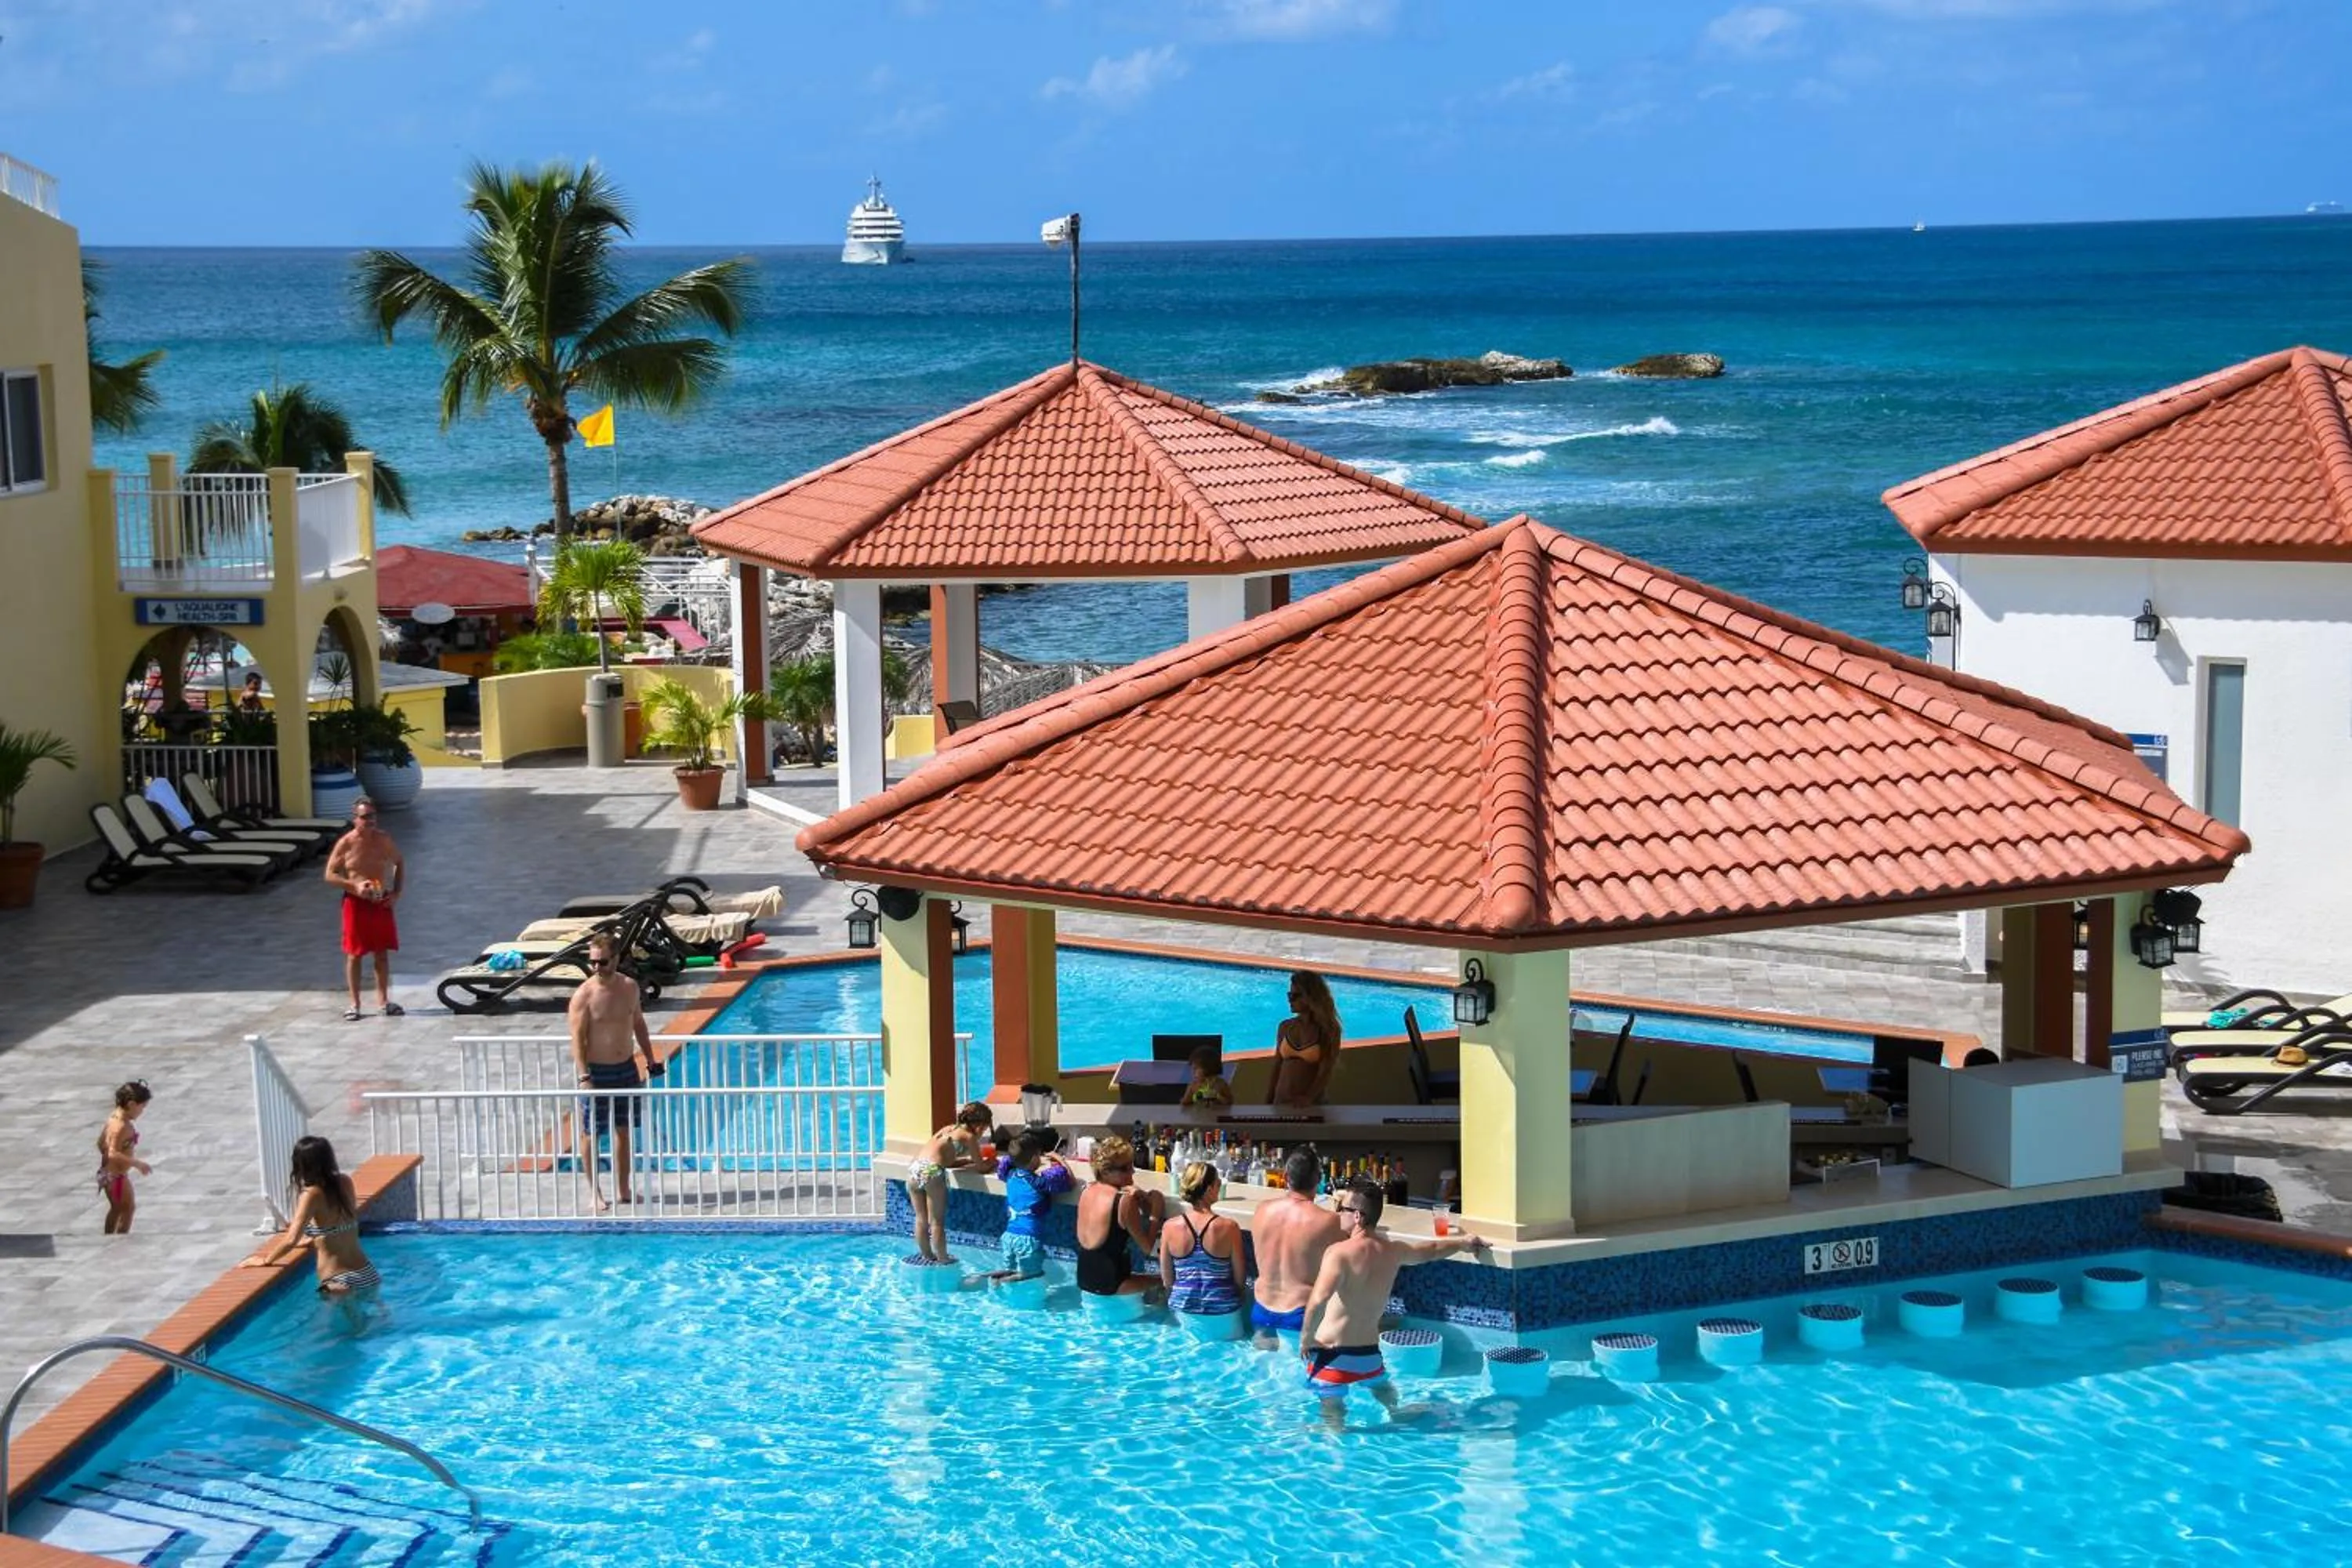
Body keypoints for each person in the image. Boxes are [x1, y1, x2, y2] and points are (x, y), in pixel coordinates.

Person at [1300, 1175, 1485, 1427]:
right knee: (1383, 1390)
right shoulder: (1393, 1251)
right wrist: (1464, 1243)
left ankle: (1336, 1446)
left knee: (1334, 1418)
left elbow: (1318, 1300)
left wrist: (1307, 1338)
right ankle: (1395, 1411)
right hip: (1368, 1355)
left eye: (1341, 1208)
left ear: (1357, 1217)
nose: (1337, 1213)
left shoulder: (1338, 1253)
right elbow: (1431, 1250)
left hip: (1333, 1354)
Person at [238, 1136, 381, 1320]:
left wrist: (266, 1260)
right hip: (367, 1273)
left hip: (338, 1281)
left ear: (301, 1165)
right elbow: (342, 1224)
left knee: (347, 1332)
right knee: (375, 1325)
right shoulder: (345, 1182)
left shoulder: (311, 1194)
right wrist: (314, 1236)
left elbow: (291, 1240)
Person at [570, 932, 662, 1211]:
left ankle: (623, 1189)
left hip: (626, 1069)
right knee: (591, 1133)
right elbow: (577, 1039)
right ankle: (595, 1192)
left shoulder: (630, 987)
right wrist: (585, 1076)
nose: (597, 967)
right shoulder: (584, 995)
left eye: (603, 962)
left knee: (623, 1130)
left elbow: (638, 1024)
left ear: (617, 959)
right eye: (593, 962)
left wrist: (650, 1059)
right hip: (597, 1073)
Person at [1248, 1147, 1345, 1346]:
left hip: (1261, 1310)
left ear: (1285, 1176)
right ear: (1319, 1179)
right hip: (1299, 1316)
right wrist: (1342, 1209)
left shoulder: (1261, 1210)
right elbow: (1353, 1247)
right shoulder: (1329, 1221)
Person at [323, 798, 405, 1021]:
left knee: (382, 953)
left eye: (372, 816)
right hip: (355, 902)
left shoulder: (383, 840)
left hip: (380, 900)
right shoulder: (346, 843)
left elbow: (399, 862)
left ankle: (383, 1001)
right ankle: (354, 1004)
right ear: (355, 819)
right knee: (354, 954)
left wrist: (396, 892)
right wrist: (354, 886)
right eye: (364, 817)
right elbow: (330, 875)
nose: (370, 821)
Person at [1075, 1134, 1165, 1301]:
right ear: (1106, 1171)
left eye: (1132, 1165)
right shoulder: (1123, 1201)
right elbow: (1148, 1248)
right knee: (1165, 1282)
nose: (1133, 1171)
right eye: (1125, 1168)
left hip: (1083, 1278)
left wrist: (1140, 1196)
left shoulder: (1087, 1191)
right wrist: (1155, 1215)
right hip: (1113, 1284)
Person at [907, 1100, 995, 1262]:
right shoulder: (969, 1137)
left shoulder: (947, 1129)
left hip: (915, 1168)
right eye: (984, 1128)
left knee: (920, 1218)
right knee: (937, 1222)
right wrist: (993, 1163)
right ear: (979, 1125)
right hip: (932, 1172)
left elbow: (942, 1158)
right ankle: (943, 1258)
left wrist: (963, 1161)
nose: (983, 1132)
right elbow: (981, 1167)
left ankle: (927, 1255)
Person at [1159, 1161, 1245, 1320]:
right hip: (1223, 1312)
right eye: (1218, 1182)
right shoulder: (1229, 1227)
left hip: (1183, 1310)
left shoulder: (1169, 1227)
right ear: (1209, 1189)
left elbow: (1168, 1282)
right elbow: (1240, 1281)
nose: (1220, 1185)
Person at [989, 1131, 1073, 1284]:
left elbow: (1006, 1163)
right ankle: (1001, 1282)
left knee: (1010, 1270)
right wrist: (1060, 1159)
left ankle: (995, 1280)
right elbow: (1068, 1179)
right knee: (1031, 1275)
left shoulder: (1010, 1175)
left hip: (1009, 1237)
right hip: (1028, 1239)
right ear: (1035, 1158)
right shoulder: (1038, 1182)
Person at [1269, 971, 1342, 1109]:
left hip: (1311, 1104)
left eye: (1295, 996)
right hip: (1280, 1101)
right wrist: (1268, 1100)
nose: (1290, 1000)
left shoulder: (1328, 1030)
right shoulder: (1285, 1027)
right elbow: (1277, 1066)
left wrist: (1308, 1098)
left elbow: (1325, 1071)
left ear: (1311, 997)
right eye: (1289, 995)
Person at [96, 1080, 154, 1235]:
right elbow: (112, 1153)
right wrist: (136, 1163)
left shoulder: (115, 1119)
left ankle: (112, 1236)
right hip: (114, 1177)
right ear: (132, 1104)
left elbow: (101, 1143)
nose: (142, 1111)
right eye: (142, 1107)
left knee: (122, 1208)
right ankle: (118, 1237)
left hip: (117, 1175)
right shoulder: (119, 1125)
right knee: (125, 1209)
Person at [1180, 1045, 1233, 1111]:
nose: (1193, 1072)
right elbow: (1185, 1102)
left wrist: (1218, 1096)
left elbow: (1230, 1103)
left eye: (1196, 1069)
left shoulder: (1221, 1084)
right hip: (1198, 1118)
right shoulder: (1193, 1085)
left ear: (1208, 1068)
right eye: (1192, 1068)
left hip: (1216, 1117)